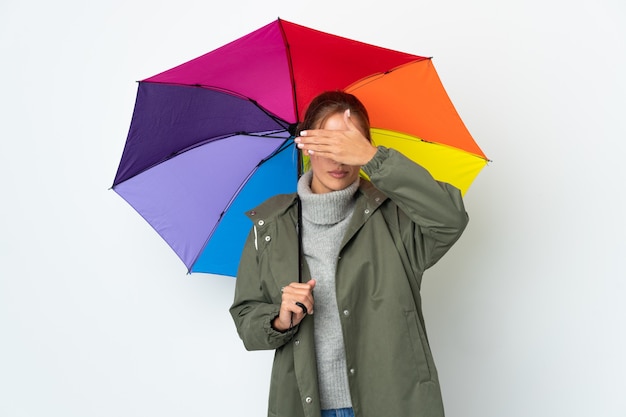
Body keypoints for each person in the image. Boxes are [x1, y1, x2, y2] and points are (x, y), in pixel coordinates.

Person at [230, 91, 469, 417]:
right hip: (304, 406)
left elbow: (450, 219)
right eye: (327, 143)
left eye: (349, 144)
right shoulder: (270, 224)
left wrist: (376, 159)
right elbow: (246, 319)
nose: (338, 159)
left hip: (392, 403)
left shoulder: (397, 217)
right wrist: (280, 318)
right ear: (306, 145)